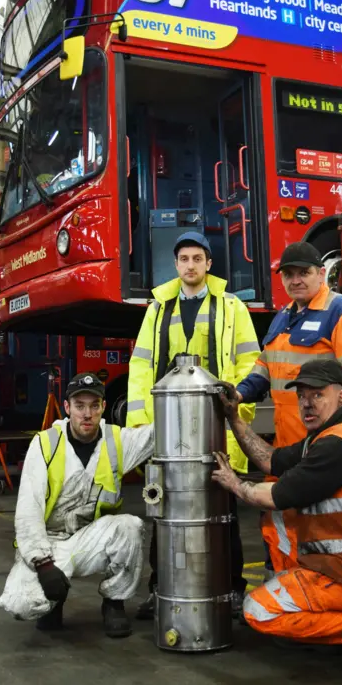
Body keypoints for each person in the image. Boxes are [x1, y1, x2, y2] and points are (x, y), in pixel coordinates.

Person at [212, 359, 342, 674]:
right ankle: (333, 623)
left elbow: (277, 496)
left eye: (317, 395)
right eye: (302, 395)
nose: (307, 403)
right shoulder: (323, 439)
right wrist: (233, 416)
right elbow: (271, 461)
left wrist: (234, 484)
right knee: (275, 515)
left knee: (259, 611)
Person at [127, 230, 260, 618]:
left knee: (223, 510)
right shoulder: (158, 309)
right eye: (184, 259)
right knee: (163, 509)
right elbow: (140, 367)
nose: (190, 265)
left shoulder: (232, 307)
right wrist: (143, 426)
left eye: (197, 259)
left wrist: (236, 415)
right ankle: (159, 589)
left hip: (213, 425)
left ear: (208, 264)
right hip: (168, 427)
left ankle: (232, 589)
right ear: (176, 265)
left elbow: (249, 362)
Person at [235, 241, 342, 573]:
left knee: (321, 530)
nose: (296, 280)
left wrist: (335, 445)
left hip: (322, 452)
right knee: (281, 526)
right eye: (289, 274)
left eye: (304, 272)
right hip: (287, 448)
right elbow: (264, 368)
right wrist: (239, 394)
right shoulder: (282, 319)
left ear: (321, 273)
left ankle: (311, 599)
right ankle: (283, 595)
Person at [0, 373, 154, 638]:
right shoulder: (45, 444)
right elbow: (28, 512)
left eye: (94, 406)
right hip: (50, 542)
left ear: (104, 407)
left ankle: (114, 603)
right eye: (79, 406)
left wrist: (180, 386)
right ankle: (53, 603)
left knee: (130, 526)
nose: (87, 414)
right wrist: (43, 564)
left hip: (91, 540)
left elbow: (159, 432)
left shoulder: (117, 441)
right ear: (67, 408)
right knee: (21, 605)